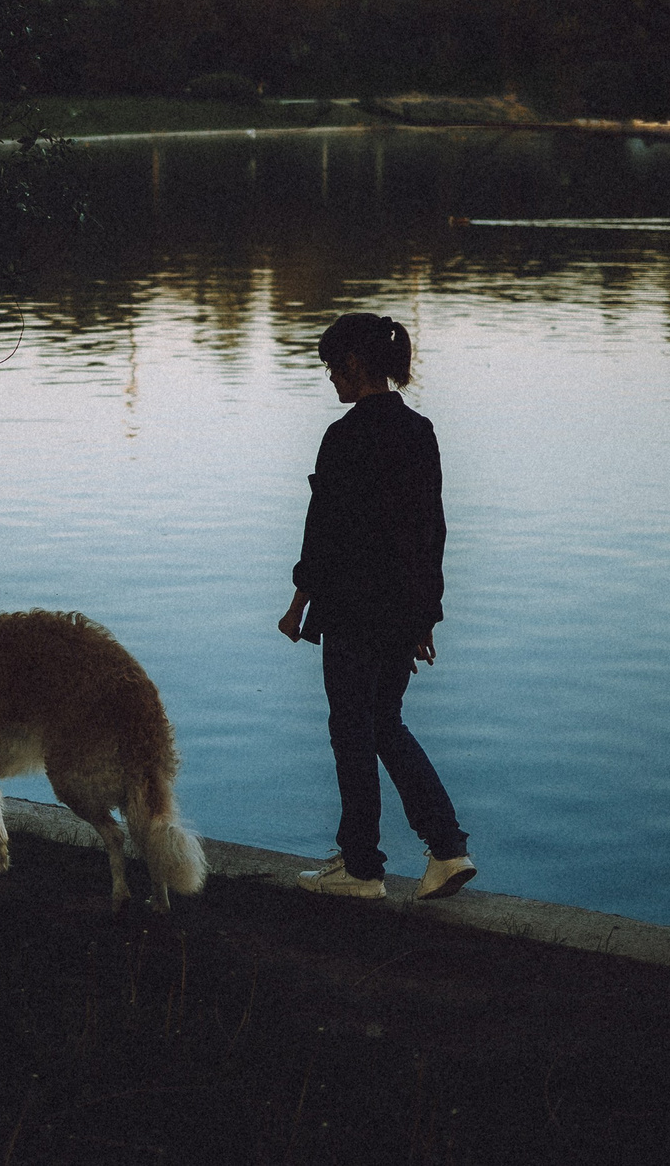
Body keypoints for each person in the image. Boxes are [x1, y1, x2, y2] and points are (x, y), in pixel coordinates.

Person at [277, 311, 476, 902]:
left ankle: (361, 868)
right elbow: (430, 532)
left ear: (356, 364)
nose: (331, 380)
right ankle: (446, 849)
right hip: (401, 611)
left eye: (334, 367)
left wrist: (297, 604)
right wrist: (425, 618)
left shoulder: (344, 437)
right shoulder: (420, 432)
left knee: (352, 732)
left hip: (351, 610)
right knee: (383, 723)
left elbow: (325, 532)